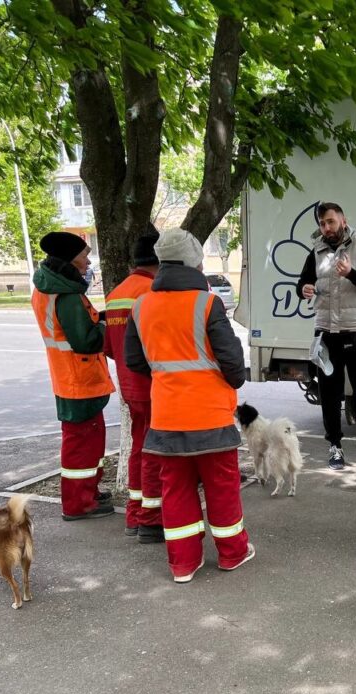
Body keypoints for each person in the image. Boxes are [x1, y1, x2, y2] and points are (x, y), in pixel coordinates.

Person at [124, 228, 253, 582]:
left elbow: (135, 361)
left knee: (176, 490)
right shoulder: (207, 303)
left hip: (166, 418)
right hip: (210, 415)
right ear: (195, 262)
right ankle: (232, 554)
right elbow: (231, 361)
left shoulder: (141, 305)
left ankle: (183, 564)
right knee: (222, 488)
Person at [296, 202, 356, 471]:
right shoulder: (316, 251)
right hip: (326, 333)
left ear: (343, 220)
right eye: (322, 224)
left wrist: (351, 273)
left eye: (330, 221)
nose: (326, 228)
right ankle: (335, 447)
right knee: (329, 394)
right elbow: (303, 282)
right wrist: (304, 288)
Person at [31, 231, 115, 521]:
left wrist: (100, 317)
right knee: (82, 446)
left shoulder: (51, 289)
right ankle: (79, 504)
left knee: (88, 441)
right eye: (83, 256)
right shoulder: (67, 295)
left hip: (71, 378)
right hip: (80, 380)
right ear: (69, 259)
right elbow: (85, 340)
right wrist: (111, 329)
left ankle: (88, 491)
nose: (88, 260)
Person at [103, 225, 164, 544]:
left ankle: (135, 513)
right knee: (156, 451)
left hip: (130, 388)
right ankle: (151, 518)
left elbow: (111, 349)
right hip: (154, 386)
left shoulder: (115, 294)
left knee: (139, 448)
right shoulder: (151, 293)